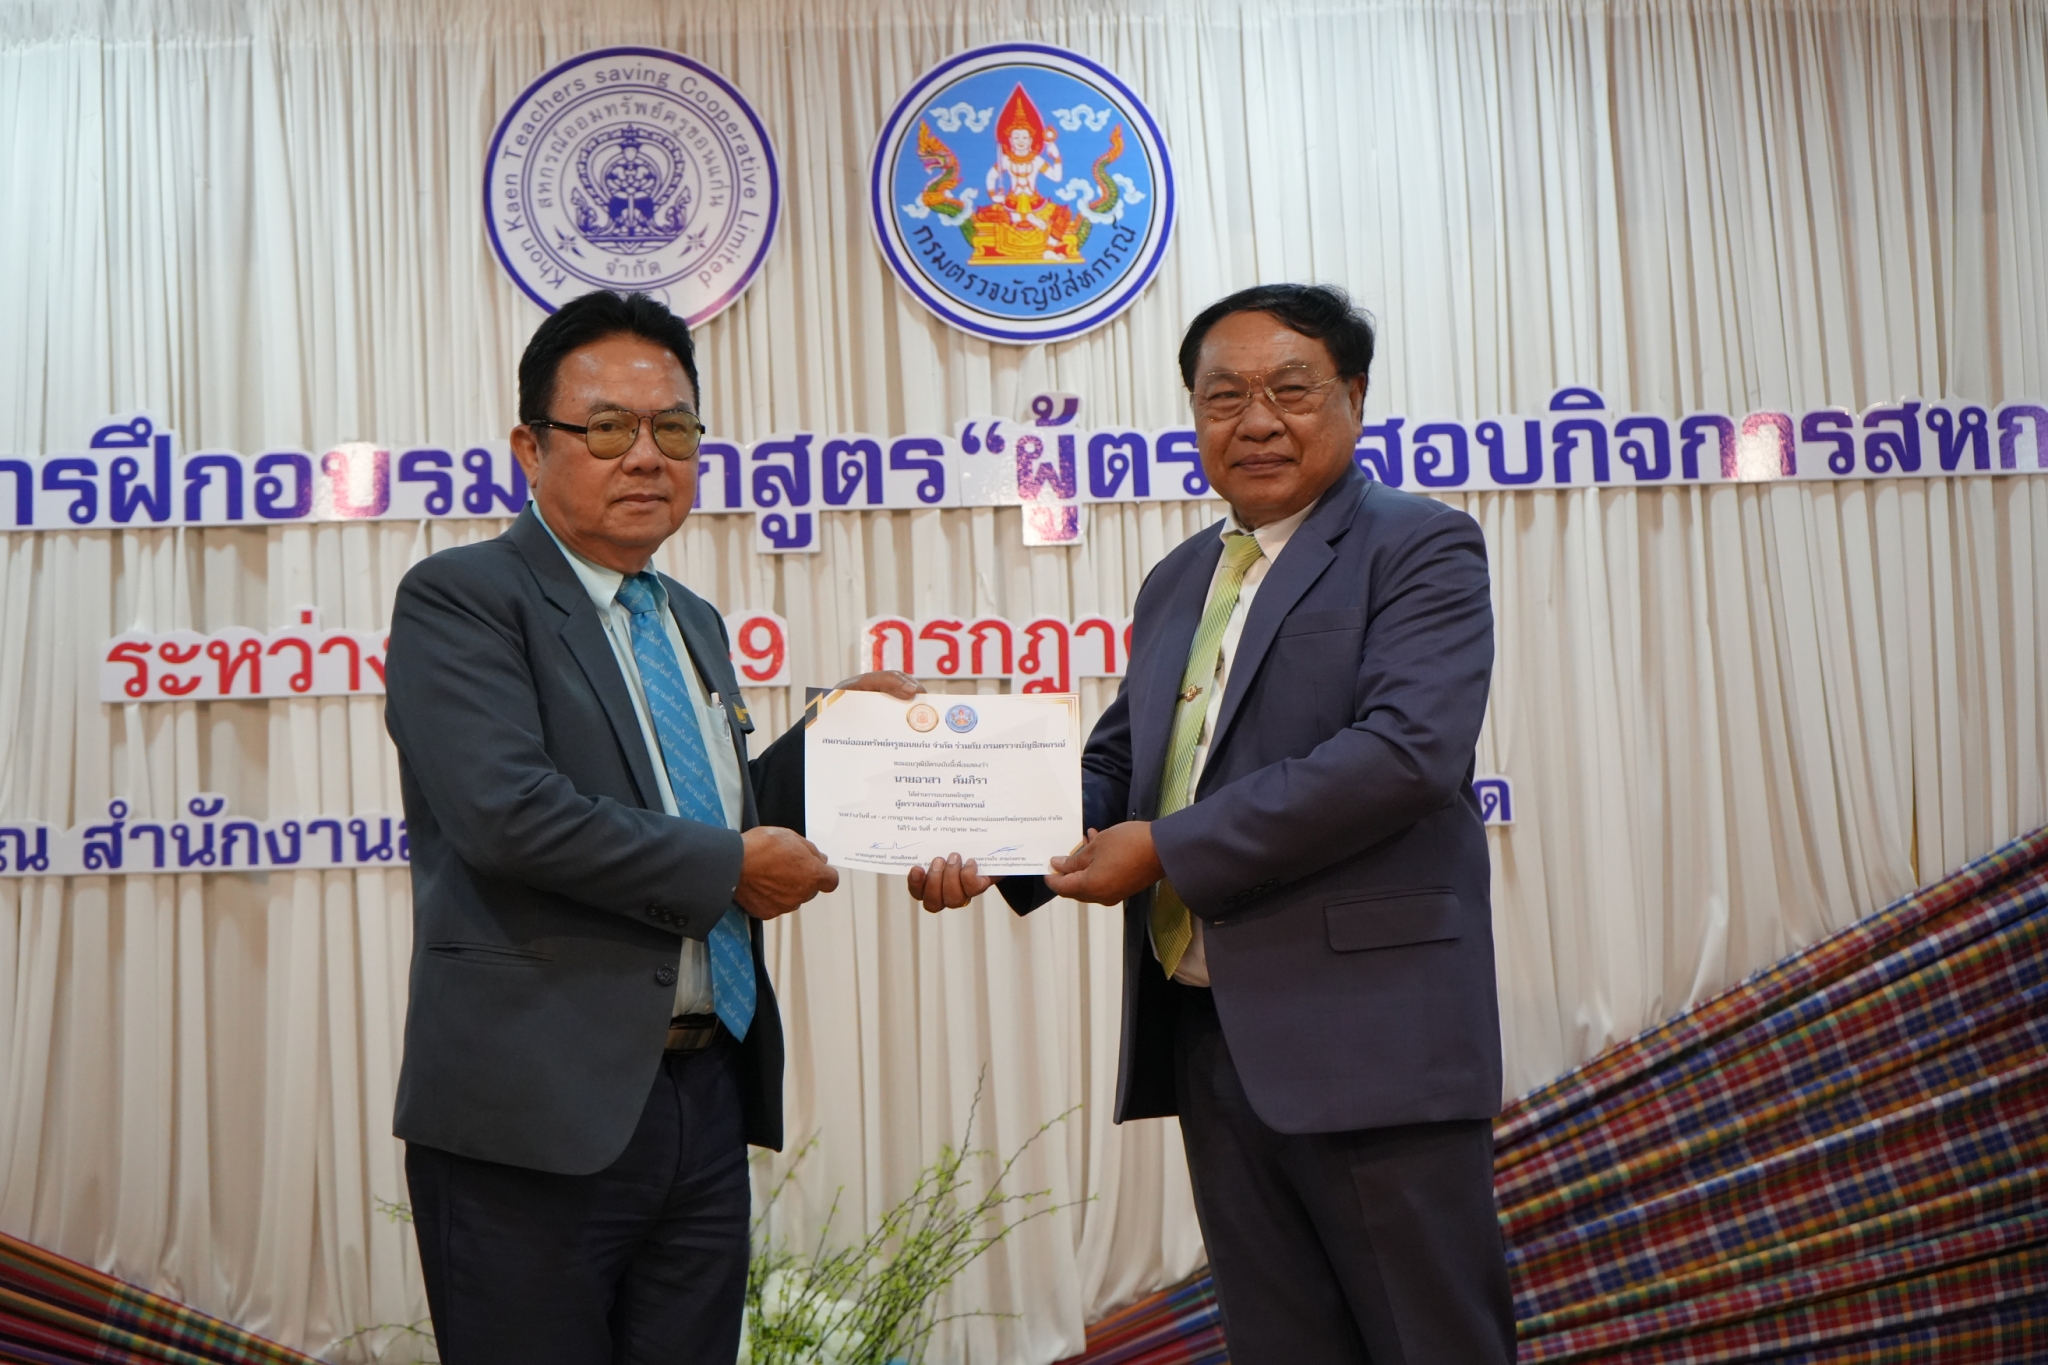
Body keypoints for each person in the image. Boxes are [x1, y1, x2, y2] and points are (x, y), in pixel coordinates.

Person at [911, 284, 1516, 1362]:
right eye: (1223, 395)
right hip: (1212, 1035)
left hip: (1372, 1038)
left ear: (1354, 397)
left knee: (1428, 1341)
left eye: (1291, 390)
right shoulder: (1181, 577)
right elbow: (1120, 765)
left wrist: (1167, 849)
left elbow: (1404, 753)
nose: (1256, 420)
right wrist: (992, 836)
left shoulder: (1418, 545)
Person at [384, 289, 917, 1364]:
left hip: (702, 1095)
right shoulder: (464, 597)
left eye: (673, 428)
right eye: (607, 428)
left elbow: (710, 811)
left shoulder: (690, 620)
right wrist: (728, 868)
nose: (644, 456)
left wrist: (834, 740)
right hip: (535, 1109)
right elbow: (508, 813)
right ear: (531, 448)